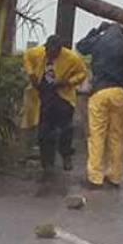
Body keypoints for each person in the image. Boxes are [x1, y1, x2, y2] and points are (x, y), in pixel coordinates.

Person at [75, 22, 123, 189]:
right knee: (117, 137)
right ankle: (114, 176)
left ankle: (95, 177)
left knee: (97, 136)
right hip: (119, 94)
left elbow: (81, 46)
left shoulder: (98, 41)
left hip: (99, 93)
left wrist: (96, 30)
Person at [22, 35, 88, 179]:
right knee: (45, 131)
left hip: (62, 95)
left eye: (54, 52)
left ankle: (66, 154)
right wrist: (31, 74)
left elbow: (83, 73)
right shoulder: (37, 53)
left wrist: (68, 82)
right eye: (48, 51)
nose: (51, 54)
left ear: (60, 50)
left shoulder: (72, 58)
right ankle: (47, 163)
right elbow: (26, 57)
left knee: (66, 128)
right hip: (45, 94)